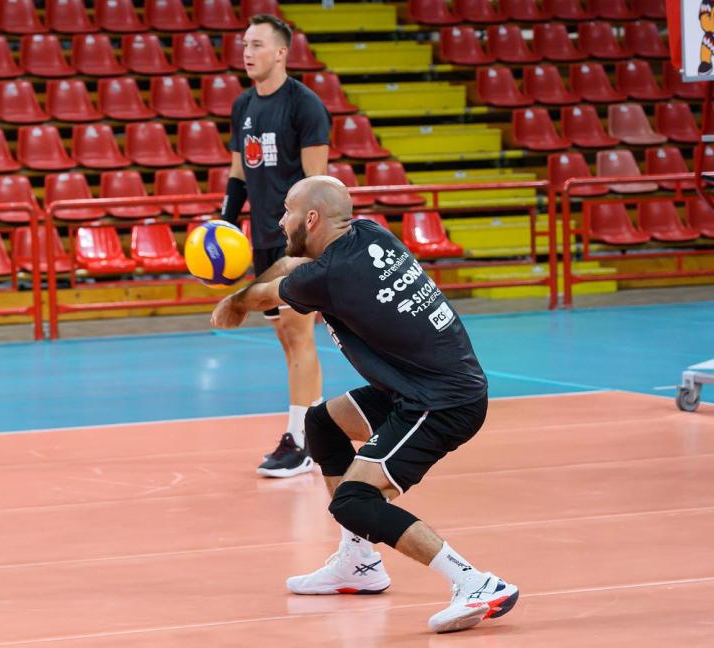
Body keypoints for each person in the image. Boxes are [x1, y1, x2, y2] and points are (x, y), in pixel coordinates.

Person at [211, 176, 520, 634]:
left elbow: (267, 294)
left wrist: (235, 301)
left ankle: (475, 582)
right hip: (419, 386)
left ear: (311, 219)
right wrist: (250, 287)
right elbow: (292, 262)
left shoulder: (331, 276)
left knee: (355, 499)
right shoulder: (369, 232)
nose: (279, 220)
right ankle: (359, 564)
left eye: (287, 212)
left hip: (440, 401)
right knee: (322, 425)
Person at [222, 14, 332, 478]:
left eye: (258, 45)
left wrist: (306, 247)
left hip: (295, 242)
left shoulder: (304, 106)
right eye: (245, 44)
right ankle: (320, 427)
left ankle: (301, 440)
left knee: (299, 331)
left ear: (282, 52)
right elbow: (239, 173)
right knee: (287, 336)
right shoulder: (243, 105)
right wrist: (225, 223)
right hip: (261, 242)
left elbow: (318, 185)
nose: (248, 52)